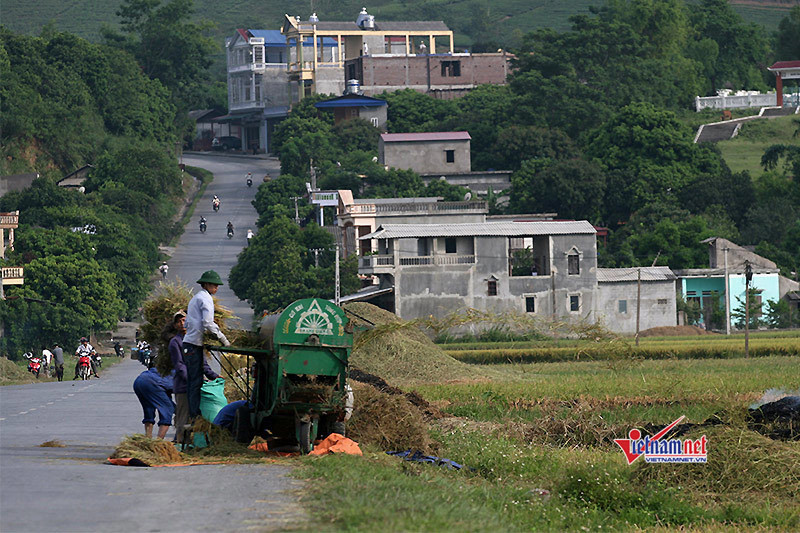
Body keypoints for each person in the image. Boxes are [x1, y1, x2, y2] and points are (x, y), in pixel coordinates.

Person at [183, 270, 230, 423]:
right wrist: (223, 339)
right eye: (215, 285)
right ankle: (195, 416)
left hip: (190, 343)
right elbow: (208, 323)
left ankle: (194, 414)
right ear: (207, 284)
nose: (216, 288)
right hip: (193, 344)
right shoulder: (205, 299)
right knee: (195, 382)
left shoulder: (196, 298)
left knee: (194, 381)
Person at [168, 310, 219, 443]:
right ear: (175, 326)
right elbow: (179, 366)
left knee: (196, 417)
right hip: (183, 387)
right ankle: (180, 444)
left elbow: (203, 363)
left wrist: (214, 376)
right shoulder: (175, 342)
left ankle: (193, 445)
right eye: (178, 321)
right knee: (182, 418)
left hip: (196, 386)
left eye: (184, 320)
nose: (182, 323)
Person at [133, 367, 175, 439]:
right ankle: (158, 442)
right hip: (154, 384)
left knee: (148, 408)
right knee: (167, 410)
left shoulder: (171, 365)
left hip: (140, 380)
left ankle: (148, 438)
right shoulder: (184, 374)